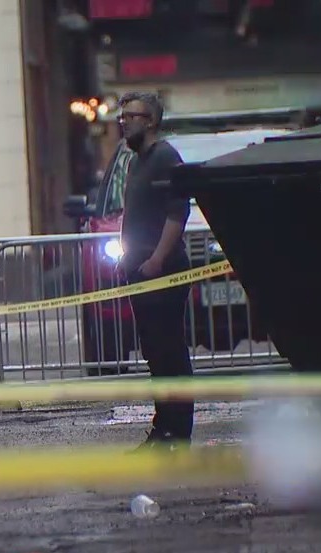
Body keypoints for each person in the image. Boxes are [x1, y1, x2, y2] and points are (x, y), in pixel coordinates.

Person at [116, 91, 195, 450]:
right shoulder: (135, 162)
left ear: (150, 121)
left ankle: (178, 433)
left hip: (161, 271)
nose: (123, 121)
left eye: (130, 115)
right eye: (122, 115)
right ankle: (162, 427)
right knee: (155, 354)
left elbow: (177, 212)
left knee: (170, 352)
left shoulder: (165, 157)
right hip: (140, 271)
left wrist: (158, 260)